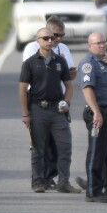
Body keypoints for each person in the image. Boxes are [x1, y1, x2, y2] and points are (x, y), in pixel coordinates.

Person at [19, 28, 81, 194]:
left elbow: (68, 86)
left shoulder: (60, 61)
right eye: (45, 38)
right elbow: (22, 89)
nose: (49, 41)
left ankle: (63, 182)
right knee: (38, 148)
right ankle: (38, 181)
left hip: (57, 109)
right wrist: (25, 113)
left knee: (65, 145)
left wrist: (66, 102)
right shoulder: (30, 63)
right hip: (38, 108)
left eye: (51, 38)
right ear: (37, 40)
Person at [77, 32, 107, 203]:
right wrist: (97, 112)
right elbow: (87, 89)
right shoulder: (88, 64)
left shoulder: (106, 63)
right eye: (98, 43)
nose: (102, 45)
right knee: (97, 153)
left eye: (104, 42)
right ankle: (93, 191)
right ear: (90, 45)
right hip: (99, 114)